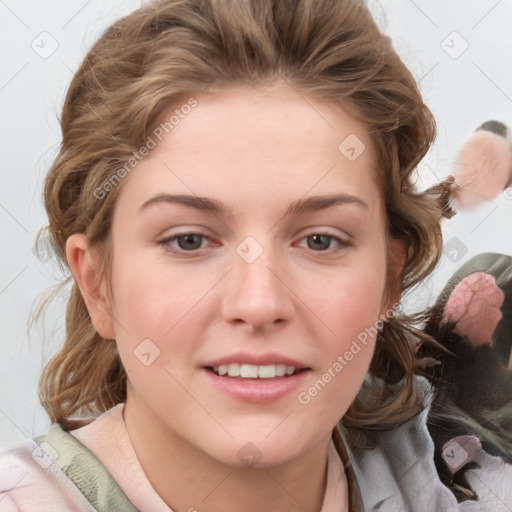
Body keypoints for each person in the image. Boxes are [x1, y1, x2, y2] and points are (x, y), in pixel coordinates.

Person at [1, 0, 511, 510]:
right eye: (189, 240)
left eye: (320, 240)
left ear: (389, 279)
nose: (260, 302)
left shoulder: (464, 471)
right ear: (98, 285)